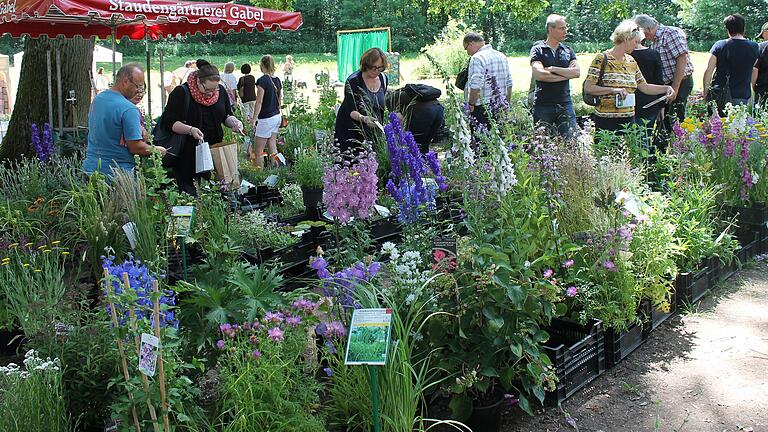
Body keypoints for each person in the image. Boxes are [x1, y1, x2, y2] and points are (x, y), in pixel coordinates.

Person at [160, 59, 243, 195]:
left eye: (215, 89)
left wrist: (234, 122)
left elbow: (226, 116)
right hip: (187, 153)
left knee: (215, 191)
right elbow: (170, 123)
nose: (211, 93)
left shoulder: (220, 91)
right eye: (207, 89)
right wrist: (191, 130)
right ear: (198, 81)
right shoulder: (181, 93)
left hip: (214, 151)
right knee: (190, 193)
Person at [583, 20, 674, 133]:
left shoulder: (631, 61)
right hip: (606, 120)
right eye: (635, 42)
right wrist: (613, 90)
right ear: (626, 39)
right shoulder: (602, 58)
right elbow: (588, 88)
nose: (637, 45)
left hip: (628, 120)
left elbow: (645, 87)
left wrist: (666, 88)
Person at [82, 63, 165, 176]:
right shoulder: (129, 109)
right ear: (125, 81)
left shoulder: (98, 99)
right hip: (117, 174)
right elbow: (135, 147)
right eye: (138, 86)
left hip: (90, 169)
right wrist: (157, 151)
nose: (139, 90)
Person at [633, 14, 693, 127]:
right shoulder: (654, 40)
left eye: (640, 32)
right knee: (664, 120)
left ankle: (678, 143)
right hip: (666, 85)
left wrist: (675, 88)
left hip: (680, 82)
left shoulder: (670, 33)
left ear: (648, 29)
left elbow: (682, 59)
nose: (641, 37)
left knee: (675, 118)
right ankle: (666, 142)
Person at [530, 14, 580, 136]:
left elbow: (577, 72)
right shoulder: (538, 50)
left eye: (565, 28)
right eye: (561, 28)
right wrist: (566, 74)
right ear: (550, 29)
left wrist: (553, 69)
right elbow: (540, 75)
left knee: (570, 142)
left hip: (565, 103)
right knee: (541, 144)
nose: (565, 31)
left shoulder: (568, 50)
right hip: (543, 105)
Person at [334, 48, 388, 154]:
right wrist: (364, 118)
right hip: (351, 129)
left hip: (373, 129)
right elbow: (351, 110)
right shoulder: (353, 81)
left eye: (380, 68)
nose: (376, 71)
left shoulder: (383, 79)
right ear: (365, 65)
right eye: (373, 68)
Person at [703, 14, 759, 114]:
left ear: (727, 29)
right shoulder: (755, 47)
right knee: (738, 126)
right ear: (743, 28)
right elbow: (754, 68)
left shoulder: (720, 45)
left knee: (716, 126)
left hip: (720, 93)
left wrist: (706, 93)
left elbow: (709, 71)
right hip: (743, 94)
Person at [464, 32, 513, 127]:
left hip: (482, 108)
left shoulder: (477, 58)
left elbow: (476, 85)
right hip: (500, 106)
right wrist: (506, 103)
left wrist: (471, 104)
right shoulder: (501, 56)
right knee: (499, 138)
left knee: (481, 139)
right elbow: (509, 83)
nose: (467, 53)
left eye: (466, 48)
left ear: (471, 44)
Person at [385, 86, 445, 154]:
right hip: (439, 108)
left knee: (415, 145)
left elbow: (398, 119)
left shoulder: (390, 100)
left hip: (425, 112)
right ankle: (426, 161)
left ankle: (420, 162)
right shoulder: (405, 92)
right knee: (425, 144)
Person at [250, 55, 283, 168]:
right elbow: (280, 98)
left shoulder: (262, 80)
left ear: (262, 65)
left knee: (258, 151)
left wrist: (254, 119)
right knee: (272, 145)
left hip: (266, 118)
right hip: (277, 115)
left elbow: (259, 101)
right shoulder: (277, 80)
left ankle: (259, 176)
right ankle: (277, 170)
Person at [630, 38, 664, 135]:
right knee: (644, 139)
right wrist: (661, 107)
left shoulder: (625, 55)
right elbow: (659, 81)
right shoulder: (654, 54)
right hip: (650, 102)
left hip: (627, 102)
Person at [753, 22, 768, 106]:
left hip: (763, 91)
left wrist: (751, 89)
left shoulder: (761, 47)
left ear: (766, 32)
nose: (762, 38)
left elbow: (754, 69)